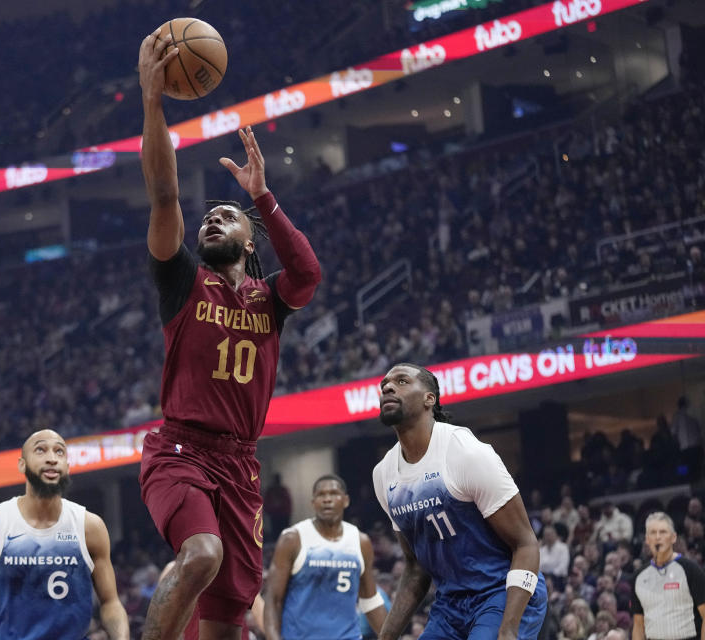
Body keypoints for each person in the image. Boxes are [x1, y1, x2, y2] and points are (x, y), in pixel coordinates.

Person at [136, 29, 321, 640]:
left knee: (227, 624)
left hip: (240, 466)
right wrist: (154, 103)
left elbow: (309, 273)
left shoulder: (270, 301)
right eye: (208, 215)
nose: (212, 217)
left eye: (227, 215)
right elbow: (165, 194)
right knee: (201, 556)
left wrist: (262, 197)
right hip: (181, 450)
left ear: (249, 240)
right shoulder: (183, 283)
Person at [371, 363, 546, 640]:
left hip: (502, 591)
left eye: (402, 381)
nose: (388, 387)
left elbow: (526, 544)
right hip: (450, 605)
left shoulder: (465, 453)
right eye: (385, 385)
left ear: (430, 399)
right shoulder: (383, 475)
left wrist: (510, 628)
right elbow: (416, 567)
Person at [0, 430, 129, 640]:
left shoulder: (89, 526)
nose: (51, 458)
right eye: (40, 450)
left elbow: (111, 602)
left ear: (67, 466)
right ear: (22, 464)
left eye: (59, 452)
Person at [264, 474, 387, 640]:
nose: (327, 499)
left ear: (346, 500)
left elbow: (370, 601)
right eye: (321, 495)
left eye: (333, 493)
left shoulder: (360, 541)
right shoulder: (292, 539)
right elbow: (273, 600)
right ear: (313, 503)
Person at [630, 512, 705, 640]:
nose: (658, 537)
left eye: (663, 532)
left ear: (673, 537)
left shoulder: (691, 570)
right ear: (647, 539)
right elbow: (638, 625)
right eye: (653, 533)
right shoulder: (638, 577)